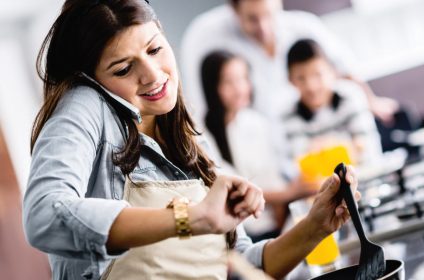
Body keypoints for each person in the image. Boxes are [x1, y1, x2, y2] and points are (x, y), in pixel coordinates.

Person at [22, 1, 360, 280]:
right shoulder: (86, 105)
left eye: (155, 49)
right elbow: (45, 216)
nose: (153, 74)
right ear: (92, 80)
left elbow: (241, 265)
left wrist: (316, 226)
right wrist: (191, 218)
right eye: (124, 69)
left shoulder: (189, 140)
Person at [180, 0, 398, 127]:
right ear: (234, 10)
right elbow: (200, 108)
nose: (264, 28)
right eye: (253, 19)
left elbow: (344, 70)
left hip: (312, 132)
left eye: (269, 15)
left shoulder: (304, 25)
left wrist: (372, 102)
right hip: (260, 145)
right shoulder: (205, 36)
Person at [200, 50, 317, 241]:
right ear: (212, 87)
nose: (240, 88)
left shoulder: (256, 122)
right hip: (245, 231)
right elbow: (233, 190)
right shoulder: (204, 137)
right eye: (228, 82)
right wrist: (289, 193)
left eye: (243, 79)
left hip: (278, 221)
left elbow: (274, 175)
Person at [284, 39, 383, 165]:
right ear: (290, 80)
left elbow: (368, 152)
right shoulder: (288, 116)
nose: (311, 86)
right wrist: (347, 147)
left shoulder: (351, 96)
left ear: (331, 71)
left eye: (317, 74)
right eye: (301, 78)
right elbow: (302, 167)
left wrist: (322, 150)